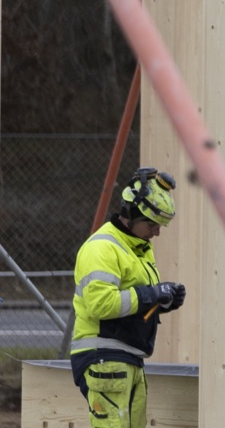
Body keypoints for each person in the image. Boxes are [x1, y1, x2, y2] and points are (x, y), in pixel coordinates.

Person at [71, 167, 185, 428]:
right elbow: (102, 304)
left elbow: (135, 303)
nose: (156, 232)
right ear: (130, 214)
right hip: (104, 356)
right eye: (151, 224)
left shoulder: (139, 248)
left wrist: (163, 301)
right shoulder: (102, 248)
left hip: (127, 357)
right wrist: (153, 294)